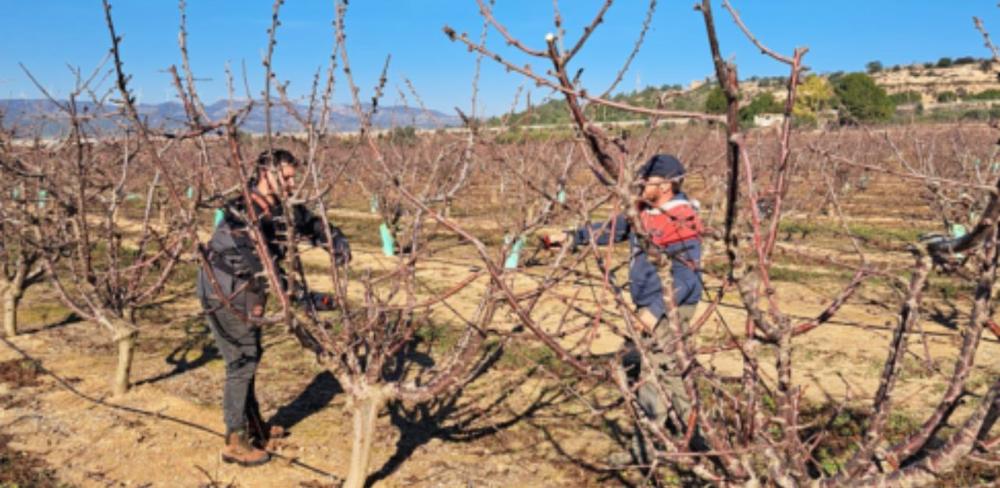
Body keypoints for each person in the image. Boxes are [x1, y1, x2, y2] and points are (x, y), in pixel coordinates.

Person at [196, 148, 351, 467]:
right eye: (288, 177)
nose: (294, 184)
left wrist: (333, 239)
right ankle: (235, 440)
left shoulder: (280, 208)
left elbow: (309, 222)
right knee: (241, 360)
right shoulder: (243, 213)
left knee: (251, 356)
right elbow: (264, 270)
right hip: (225, 291)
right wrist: (310, 300)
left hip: (249, 291)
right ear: (266, 173)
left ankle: (254, 425)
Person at [542, 153, 704, 458]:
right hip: (653, 303)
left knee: (651, 372)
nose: (640, 183)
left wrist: (654, 311)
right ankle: (694, 432)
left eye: (647, 179)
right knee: (668, 367)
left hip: (672, 305)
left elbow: (687, 276)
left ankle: (645, 449)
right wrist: (571, 237)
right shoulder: (643, 211)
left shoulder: (680, 219)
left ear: (667, 185)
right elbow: (611, 229)